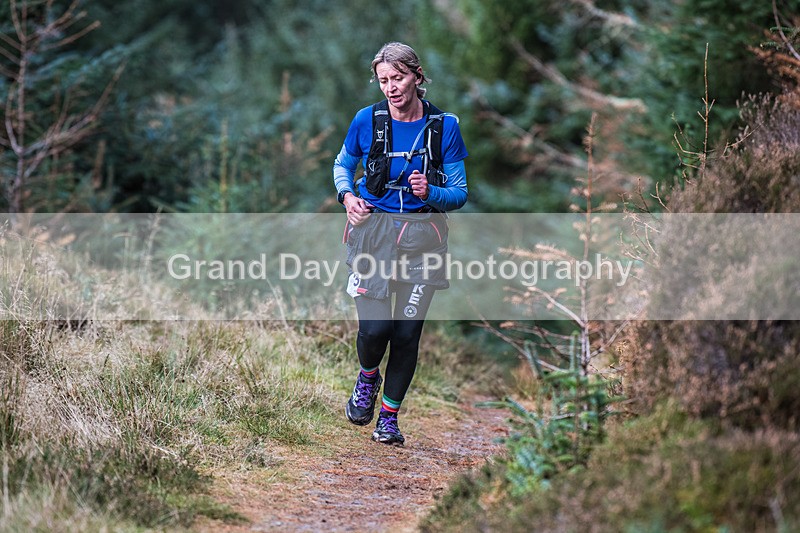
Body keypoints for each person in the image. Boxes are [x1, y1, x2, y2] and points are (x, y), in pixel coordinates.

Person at [332, 42, 469, 445]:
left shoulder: (444, 127)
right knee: (376, 331)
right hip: (373, 236)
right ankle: (367, 377)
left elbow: (459, 193)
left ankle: (388, 420)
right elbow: (343, 164)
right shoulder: (367, 120)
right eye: (383, 80)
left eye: (398, 78)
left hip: (423, 240)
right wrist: (347, 197)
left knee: (406, 336)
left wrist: (430, 192)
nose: (390, 87)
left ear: (417, 76)